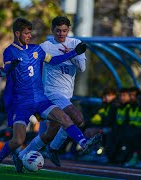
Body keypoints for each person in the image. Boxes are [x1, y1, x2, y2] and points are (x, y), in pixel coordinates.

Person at [0, 17, 99, 173]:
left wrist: (74, 53)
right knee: (18, 140)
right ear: (17, 33)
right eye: (26, 33)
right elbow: (6, 68)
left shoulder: (36, 50)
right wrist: (5, 70)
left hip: (40, 99)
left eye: (30, 33)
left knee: (65, 119)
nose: (29, 36)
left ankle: (84, 143)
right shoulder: (10, 51)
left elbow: (53, 61)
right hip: (22, 103)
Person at [16, 16, 102, 167]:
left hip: (66, 94)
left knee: (50, 133)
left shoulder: (75, 44)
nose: (61, 34)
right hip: (50, 93)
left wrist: (73, 53)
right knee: (77, 118)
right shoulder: (45, 46)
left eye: (64, 30)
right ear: (52, 30)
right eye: (58, 31)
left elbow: (81, 68)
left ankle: (22, 155)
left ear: (69, 30)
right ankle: (83, 143)